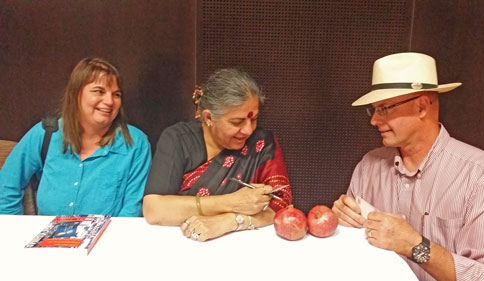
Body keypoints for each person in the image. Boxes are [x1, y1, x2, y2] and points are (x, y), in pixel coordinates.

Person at [332, 52, 484, 281]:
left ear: (421, 106)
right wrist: (340, 225)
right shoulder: (368, 167)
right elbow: (352, 254)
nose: (373, 120)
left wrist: (414, 245)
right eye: (374, 109)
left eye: (385, 109)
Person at [143, 68, 292, 241]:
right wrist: (232, 202)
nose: (248, 130)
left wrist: (229, 222)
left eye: (254, 119)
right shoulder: (177, 139)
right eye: (237, 122)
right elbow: (154, 210)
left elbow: (282, 205)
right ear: (208, 118)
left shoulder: (261, 143)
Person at [0, 57, 152, 216]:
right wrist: (15, 230)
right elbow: (6, 186)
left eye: (116, 94)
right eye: (99, 91)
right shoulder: (46, 133)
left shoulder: (135, 143)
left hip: (107, 238)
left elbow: (131, 210)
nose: (109, 101)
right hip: (48, 238)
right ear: (76, 94)